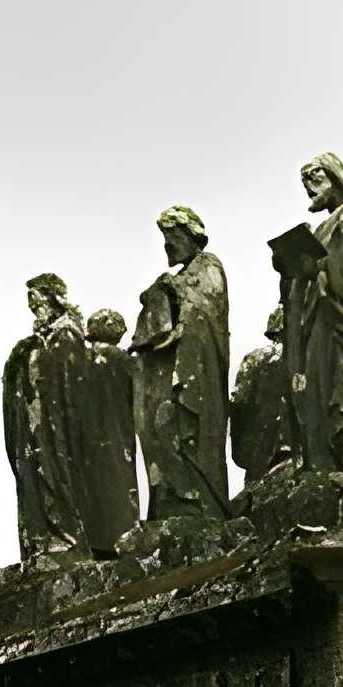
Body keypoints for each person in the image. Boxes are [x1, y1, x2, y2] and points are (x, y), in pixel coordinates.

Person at [132, 207, 230, 521]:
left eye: (172, 237)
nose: (167, 246)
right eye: (164, 239)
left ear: (190, 235)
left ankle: (200, 502)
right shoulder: (180, 276)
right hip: (174, 369)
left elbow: (205, 310)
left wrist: (172, 293)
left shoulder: (208, 265)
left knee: (191, 434)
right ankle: (173, 501)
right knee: (162, 428)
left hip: (198, 372)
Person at [287, 153, 343, 470]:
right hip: (315, 318)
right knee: (314, 391)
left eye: (315, 179)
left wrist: (321, 269)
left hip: (338, 318)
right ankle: (319, 461)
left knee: (338, 387)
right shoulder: (323, 225)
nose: (310, 189)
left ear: (336, 177)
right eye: (305, 184)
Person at [2, 273, 87, 561]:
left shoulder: (67, 334)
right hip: (34, 424)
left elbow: (68, 382)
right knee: (32, 479)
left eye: (35, 299)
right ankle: (39, 544)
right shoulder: (37, 340)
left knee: (58, 476)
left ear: (51, 298)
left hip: (57, 425)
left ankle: (65, 540)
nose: (32, 306)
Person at [81, 309, 140, 554]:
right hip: (117, 436)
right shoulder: (123, 360)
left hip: (86, 439)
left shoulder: (78, 358)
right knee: (119, 486)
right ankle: (121, 540)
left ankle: (94, 542)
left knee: (90, 488)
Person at [231, 306, 296, 483]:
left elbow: (238, 407)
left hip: (260, 457)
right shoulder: (311, 362)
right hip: (297, 457)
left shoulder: (254, 360)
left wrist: (245, 453)